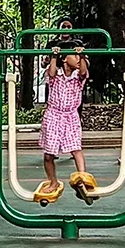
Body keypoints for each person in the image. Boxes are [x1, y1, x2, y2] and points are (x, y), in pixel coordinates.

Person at [39, 45, 90, 191]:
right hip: (54, 115)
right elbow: (52, 71)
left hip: (71, 115)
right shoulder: (56, 75)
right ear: (65, 59)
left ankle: (83, 178)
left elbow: (83, 71)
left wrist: (82, 56)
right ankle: (53, 181)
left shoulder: (77, 77)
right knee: (49, 155)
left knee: (76, 148)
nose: (78, 60)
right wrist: (54, 56)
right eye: (75, 57)